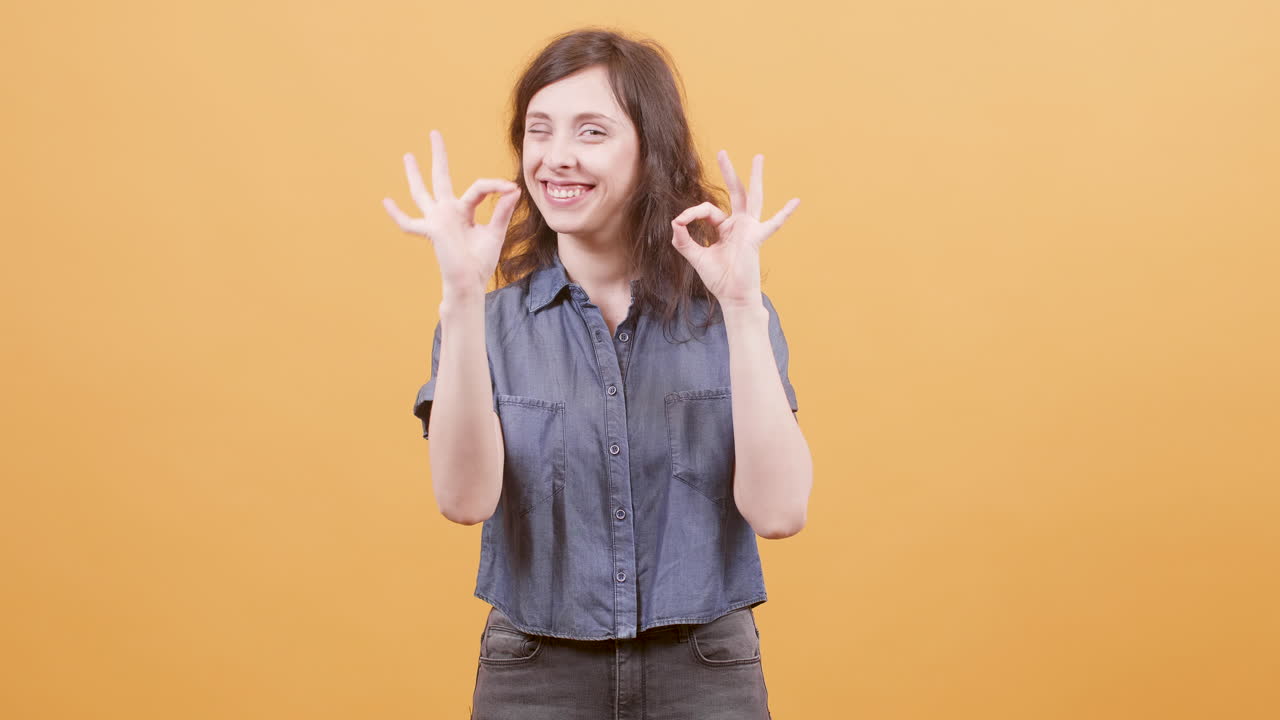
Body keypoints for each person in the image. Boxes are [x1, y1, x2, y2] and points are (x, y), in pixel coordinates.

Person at [383, 27, 812, 720]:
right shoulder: (487, 323)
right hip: (534, 674)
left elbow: (781, 511)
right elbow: (464, 501)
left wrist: (739, 310)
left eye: (591, 132)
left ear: (651, 149)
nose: (557, 158)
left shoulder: (732, 314)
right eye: (539, 130)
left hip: (706, 670)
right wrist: (461, 299)